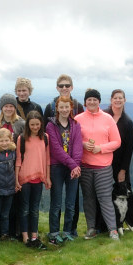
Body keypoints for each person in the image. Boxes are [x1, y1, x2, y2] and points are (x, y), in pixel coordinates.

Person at [77, 89, 122, 241]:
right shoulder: (78, 119)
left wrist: (100, 149)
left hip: (103, 166)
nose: (92, 102)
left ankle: (112, 229)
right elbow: (73, 140)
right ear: (85, 102)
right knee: (88, 198)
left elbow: (117, 142)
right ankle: (91, 228)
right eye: (89, 100)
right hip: (84, 165)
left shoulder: (108, 119)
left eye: (95, 100)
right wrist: (83, 144)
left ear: (99, 102)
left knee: (105, 198)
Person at [105, 89, 133, 231]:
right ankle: (105, 224)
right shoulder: (104, 116)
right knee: (104, 193)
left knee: (127, 192)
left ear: (124, 100)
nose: (118, 100)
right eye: (115, 98)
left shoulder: (128, 122)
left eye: (120, 98)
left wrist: (123, 170)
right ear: (111, 100)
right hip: (103, 161)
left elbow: (129, 150)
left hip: (120, 163)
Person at [45, 96, 83, 244]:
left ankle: (67, 231)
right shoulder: (50, 126)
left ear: (71, 108)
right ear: (57, 108)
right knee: (56, 202)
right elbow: (55, 149)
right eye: (61, 107)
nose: (64, 110)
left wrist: (76, 165)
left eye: (67, 107)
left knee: (70, 202)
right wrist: (73, 165)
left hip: (73, 168)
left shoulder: (75, 124)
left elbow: (78, 146)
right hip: (57, 167)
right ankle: (54, 233)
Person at [16, 111, 51, 249]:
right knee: (25, 209)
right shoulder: (22, 138)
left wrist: (47, 177)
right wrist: (16, 179)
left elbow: (48, 159)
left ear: (41, 124)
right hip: (25, 177)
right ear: (27, 125)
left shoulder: (45, 137)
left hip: (39, 177)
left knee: (35, 209)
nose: (35, 127)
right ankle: (25, 237)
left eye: (37, 124)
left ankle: (34, 236)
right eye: (32, 124)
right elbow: (18, 159)